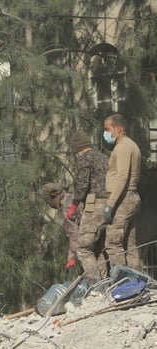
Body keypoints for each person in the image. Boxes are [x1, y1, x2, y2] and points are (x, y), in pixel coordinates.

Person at [66, 132, 110, 281]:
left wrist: (73, 205)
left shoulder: (85, 158)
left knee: (83, 248)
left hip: (94, 207)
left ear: (77, 150)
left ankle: (95, 283)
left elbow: (83, 184)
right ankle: (105, 283)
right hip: (109, 206)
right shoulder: (104, 157)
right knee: (98, 249)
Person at [102, 114, 142, 270]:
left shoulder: (123, 147)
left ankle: (122, 284)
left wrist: (110, 204)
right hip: (130, 198)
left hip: (122, 200)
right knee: (129, 245)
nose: (105, 133)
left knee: (113, 243)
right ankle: (138, 283)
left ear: (118, 129)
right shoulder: (130, 145)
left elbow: (122, 176)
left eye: (107, 129)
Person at [40, 183, 80, 270]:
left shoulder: (67, 207)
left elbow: (75, 233)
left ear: (53, 197)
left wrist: (72, 258)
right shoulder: (75, 197)